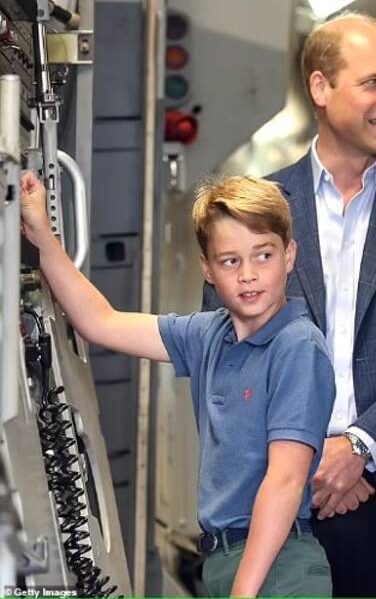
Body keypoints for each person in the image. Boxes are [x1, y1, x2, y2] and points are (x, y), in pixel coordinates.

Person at [202, 13, 376, 597]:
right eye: (373, 82)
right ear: (320, 89)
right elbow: (227, 366)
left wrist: (358, 447)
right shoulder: (257, 209)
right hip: (275, 508)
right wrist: (305, 458)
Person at [21, 172, 336, 597]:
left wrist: (243, 592)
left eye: (264, 255)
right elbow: (102, 322)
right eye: (230, 261)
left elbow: (285, 479)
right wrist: (40, 233)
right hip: (226, 562)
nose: (248, 275)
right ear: (207, 268)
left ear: (290, 255)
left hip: (279, 565)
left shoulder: (298, 346)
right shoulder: (208, 335)